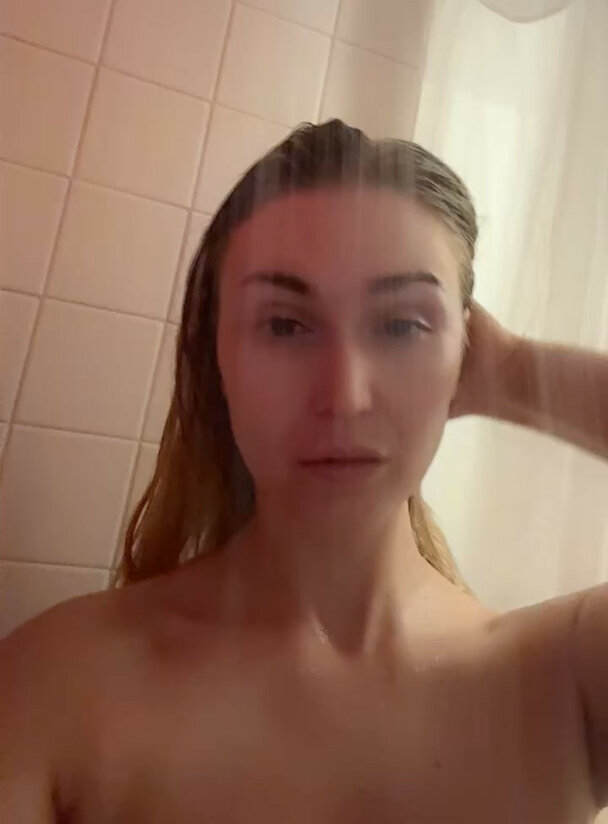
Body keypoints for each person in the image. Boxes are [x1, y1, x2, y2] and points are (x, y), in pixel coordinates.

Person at [1, 118, 607, 823]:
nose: (344, 396)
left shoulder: (565, 677)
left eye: (402, 325)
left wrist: (519, 373)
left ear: (465, 355)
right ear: (216, 359)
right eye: (285, 325)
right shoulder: (60, 684)